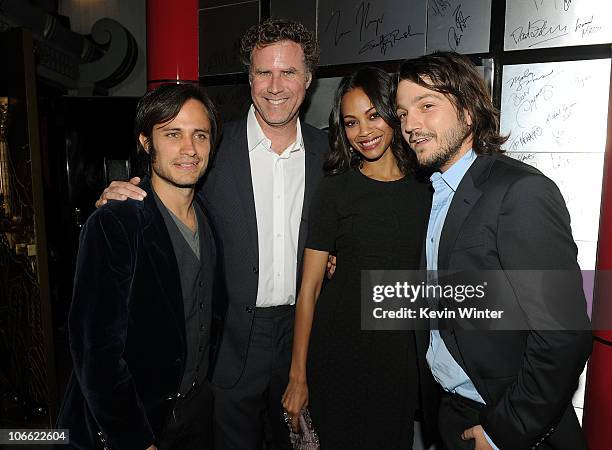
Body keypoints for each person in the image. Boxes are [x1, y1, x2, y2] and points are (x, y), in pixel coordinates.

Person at [95, 19, 329, 450]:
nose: (275, 85)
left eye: (289, 72)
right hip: (229, 344)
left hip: (303, 337)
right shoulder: (212, 146)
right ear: (249, 78)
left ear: (308, 79)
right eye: (263, 72)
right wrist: (127, 189)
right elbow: (170, 175)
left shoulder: (328, 153)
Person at [395, 51, 592, 449]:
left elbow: (563, 334)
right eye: (401, 114)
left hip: (509, 424)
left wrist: (504, 430)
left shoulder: (520, 192)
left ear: (468, 112)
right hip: (452, 414)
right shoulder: (431, 193)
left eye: (426, 106)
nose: (410, 125)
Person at [57, 83, 222, 449]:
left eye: (200, 135)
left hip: (196, 413)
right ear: (147, 142)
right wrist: (136, 440)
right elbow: (94, 352)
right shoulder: (116, 223)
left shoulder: (210, 216)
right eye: (173, 134)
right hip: (136, 424)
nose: (189, 149)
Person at [281, 66, 432, 449]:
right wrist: (298, 374)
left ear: (394, 113)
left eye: (373, 115)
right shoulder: (335, 191)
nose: (363, 132)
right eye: (350, 122)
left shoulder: (428, 189)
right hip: (337, 351)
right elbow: (310, 289)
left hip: (399, 360)